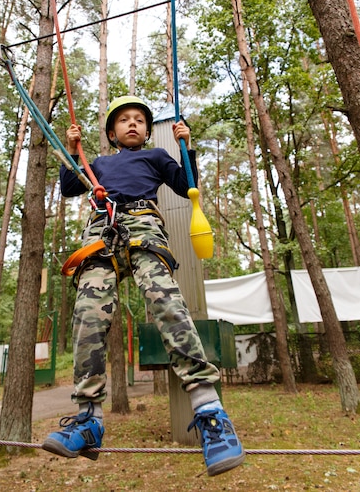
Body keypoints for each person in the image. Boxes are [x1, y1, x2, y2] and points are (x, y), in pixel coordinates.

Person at [42, 95, 245, 476]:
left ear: (148, 130)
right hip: (101, 231)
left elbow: (187, 186)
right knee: (88, 315)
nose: (132, 124)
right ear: (112, 132)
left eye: (138, 119)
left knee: (167, 304)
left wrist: (186, 146)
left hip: (143, 226)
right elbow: (71, 185)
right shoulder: (98, 164)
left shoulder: (155, 158)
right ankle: (88, 419)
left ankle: (209, 411)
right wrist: (73, 150)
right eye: (124, 120)